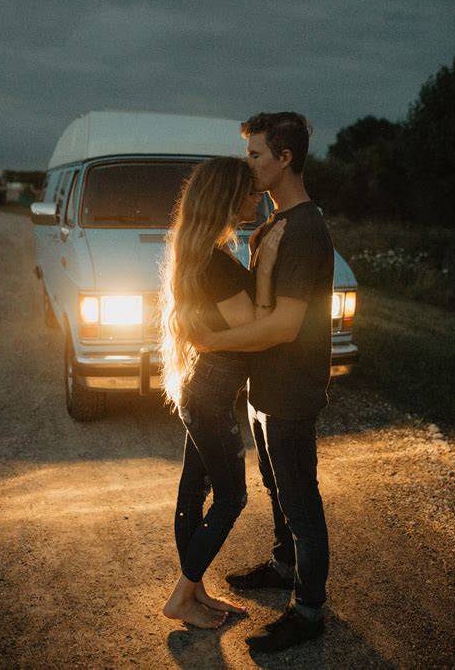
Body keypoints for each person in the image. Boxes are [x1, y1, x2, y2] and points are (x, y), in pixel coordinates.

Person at [194, 112, 334, 653]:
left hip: (292, 387)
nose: (247, 165)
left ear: (285, 158)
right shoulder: (271, 224)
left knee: (301, 501)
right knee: (279, 491)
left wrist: (210, 341)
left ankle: (309, 610)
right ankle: (282, 566)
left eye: (255, 156)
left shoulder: (303, 229)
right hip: (264, 386)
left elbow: (283, 324)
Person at [160, 156, 286, 629]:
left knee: (192, 493)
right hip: (210, 397)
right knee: (231, 499)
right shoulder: (217, 263)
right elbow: (254, 330)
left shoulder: (203, 252)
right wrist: (267, 265)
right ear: (228, 198)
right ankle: (181, 597)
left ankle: (195, 593)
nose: (258, 198)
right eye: (251, 191)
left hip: (201, 390)